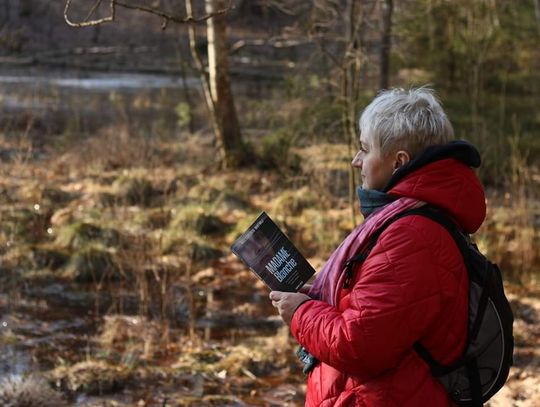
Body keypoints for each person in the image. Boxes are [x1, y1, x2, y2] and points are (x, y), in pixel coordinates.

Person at [269, 87, 486, 406]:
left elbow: (359, 345)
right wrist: (333, 290)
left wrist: (301, 312)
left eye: (365, 149)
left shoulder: (413, 234)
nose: (356, 161)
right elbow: (389, 310)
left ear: (399, 162)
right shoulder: (412, 218)